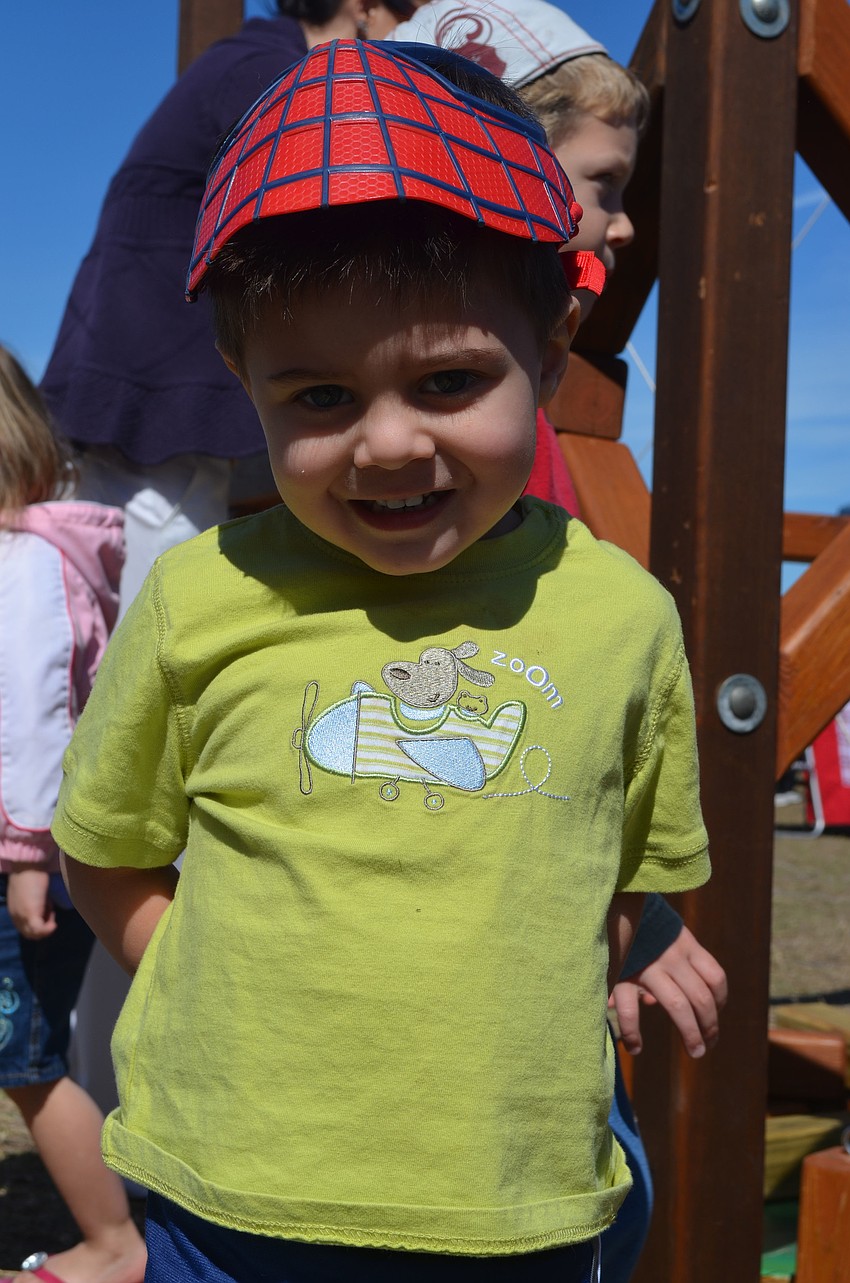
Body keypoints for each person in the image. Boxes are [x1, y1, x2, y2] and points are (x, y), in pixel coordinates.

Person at [55, 41, 711, 1282]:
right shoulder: (204, 598)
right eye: (317, 398)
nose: (389, 442)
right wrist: (211, 972)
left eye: (451, 379)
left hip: (515, 1205)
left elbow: (621, 867)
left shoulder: (620, 616)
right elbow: (107, 843)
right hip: (234, 1198)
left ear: (552, 355)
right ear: (243, 383)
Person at [39, 0, 427, 1125]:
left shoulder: (242, 67)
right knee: (164, 752)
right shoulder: (275, 75)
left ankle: (117, 1097)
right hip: (155, 436)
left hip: (154, 428)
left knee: (150, 754)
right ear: (358, 9)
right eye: (403, 17)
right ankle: (125, 1104)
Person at [387, 6, 729, 1276]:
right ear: (510, 169)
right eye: (602, 188)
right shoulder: (473, 444)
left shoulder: (514, 417)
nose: (624, 225)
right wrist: (622, 930)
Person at [0, 347, 145, 1283]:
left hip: (23, 858)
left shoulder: (24, 564)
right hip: (23, 846)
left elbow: (37, 711)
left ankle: (113, 1243)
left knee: (27, 1054)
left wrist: (23, 855)